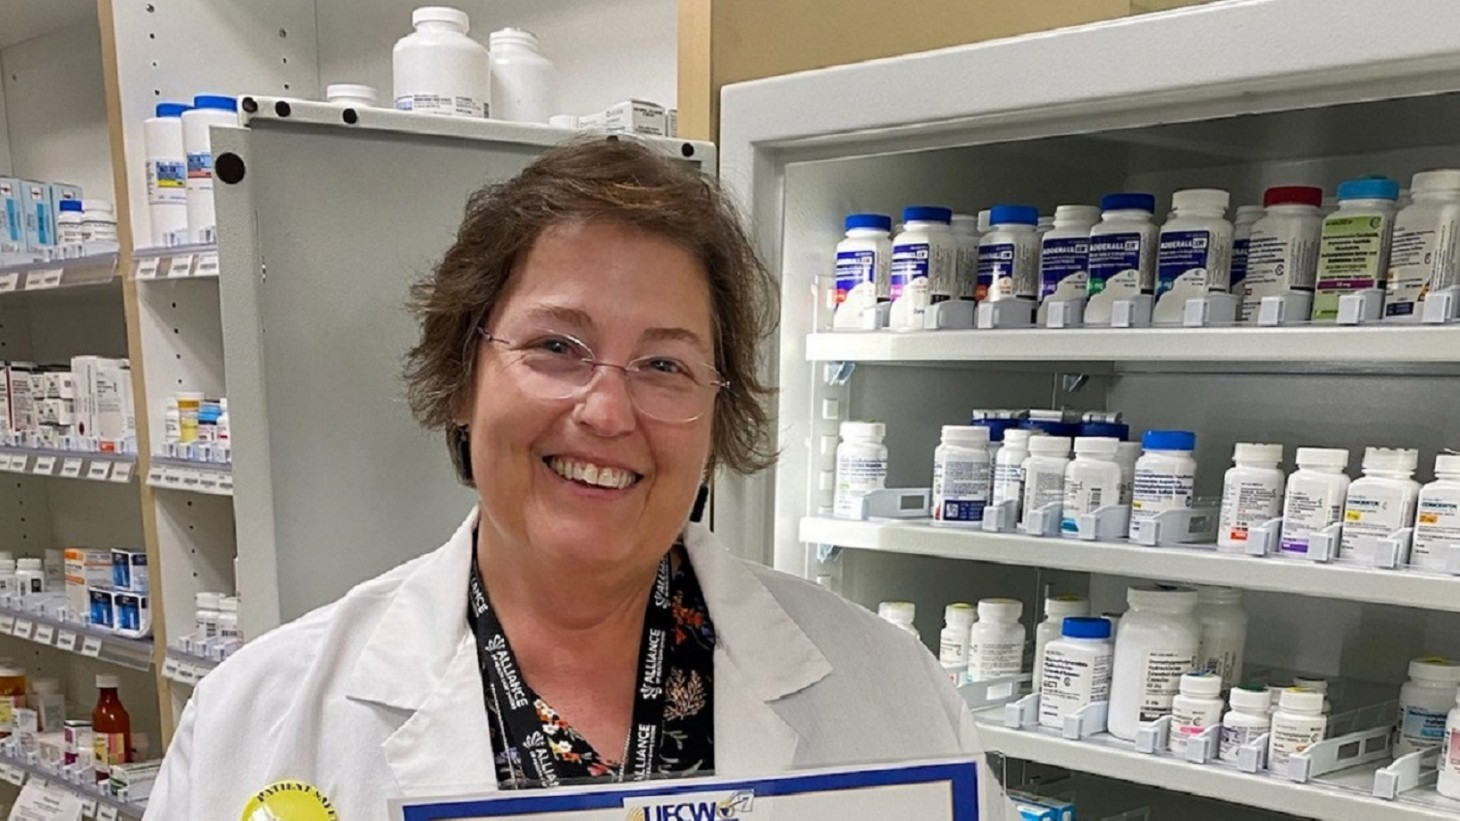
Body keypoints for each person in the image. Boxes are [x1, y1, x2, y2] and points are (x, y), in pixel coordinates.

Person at [144, 138, 1001, 819]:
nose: (606, 411)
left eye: (665, 363)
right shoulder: (261, 720)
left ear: (715, 413)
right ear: (461, 378)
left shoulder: (896, 693)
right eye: (557, 346)